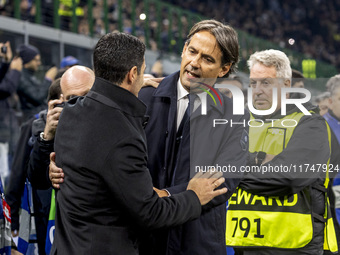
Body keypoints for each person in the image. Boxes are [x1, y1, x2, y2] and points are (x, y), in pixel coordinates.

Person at [51, 32, 227, 255]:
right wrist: (193, 197)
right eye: (143, 70)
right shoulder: (123, 134)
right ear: (133, 74)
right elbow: (150, 213)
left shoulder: (71, 111)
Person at [136, 19, 249, 255]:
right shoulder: (143, 98)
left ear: (224, 69)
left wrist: (166, 195)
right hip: (142, 238)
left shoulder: (234, 115)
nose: (194, 63)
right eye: (192, 51)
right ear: (183, 49)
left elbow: (224, 180)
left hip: (197, 242)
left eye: (207, 59)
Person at [226, 49, 337, 254]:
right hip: (245, 243)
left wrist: (235, 170)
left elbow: (289, 177)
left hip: (295, 245)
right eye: (253, 83)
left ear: (286, 85)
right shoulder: (240, 122)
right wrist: (259, 160)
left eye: (266, 83)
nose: (257, 90)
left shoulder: (311, 124)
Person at [0, 41, 22, 186]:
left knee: (3, 172)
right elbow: (6, 88)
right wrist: (14, 71)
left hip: (5, 131)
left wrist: (6, 63)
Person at [16, 44, 58, 121]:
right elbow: (37, 97)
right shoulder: (20, 77)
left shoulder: (31, 76)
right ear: (27, 60)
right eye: (36, 60)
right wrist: (48, 79)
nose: (39, 63)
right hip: (29, 120)